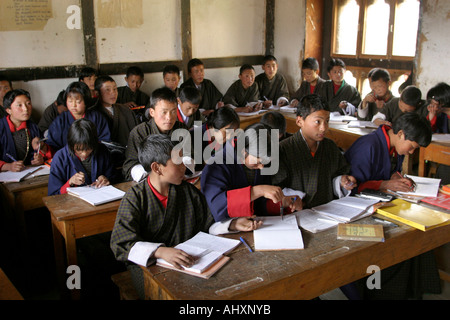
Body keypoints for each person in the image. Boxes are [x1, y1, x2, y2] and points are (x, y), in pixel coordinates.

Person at [110, 134, 261, 299]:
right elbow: (121, 243)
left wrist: (233, 225)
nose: (184, 167)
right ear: (157, 168)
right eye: (178, 162)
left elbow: (207, 222)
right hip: (148, 266)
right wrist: (159, 252)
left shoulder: (187, 191)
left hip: (189, 261)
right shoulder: (135, 198)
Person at [201, 122, 303, 222]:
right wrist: (257, 191)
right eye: (258, 162)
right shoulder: (216, 165)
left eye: (264, 162)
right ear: (243, 152)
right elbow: (217, 207)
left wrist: (282, 202)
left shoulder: (258, 164)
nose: (262, 167)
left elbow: (258, 205)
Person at [272, 94, 357, 208]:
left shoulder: (330, 147)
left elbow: (338, 173)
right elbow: (276, 188)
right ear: (299, 121)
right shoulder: (283, 149)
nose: (324, 127)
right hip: (296, 215)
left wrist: (341, 181)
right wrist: (293, 199)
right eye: (318, 122)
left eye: (327, 121)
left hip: (328, 211)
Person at [345, 112, 432, 193]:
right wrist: (385, 184)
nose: (412, 152)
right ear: (400, 134)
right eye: (412, 147)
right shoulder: (368, 146)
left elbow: (386, 170)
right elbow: (352, 186)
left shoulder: (396, 147)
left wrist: (395, 177)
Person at [122, 87, 189, 182]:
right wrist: (152, 177)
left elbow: (189, 155)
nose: (169, 117)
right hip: (150, 182)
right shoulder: (139, 132)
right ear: (152, 112)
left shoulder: (182, 129)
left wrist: (182, 168)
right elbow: (129, 165)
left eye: (173, 112)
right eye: (164, 112)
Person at [48, 118, 114, 195]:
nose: (84, 154)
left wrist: (106, 179)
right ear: (71, 145)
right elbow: (53, 194)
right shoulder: (60, 158)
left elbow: (113, 177)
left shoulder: (102, 151)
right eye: (79, 150)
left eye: (89, 149)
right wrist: (70, 182)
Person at [46, 81, 111, 151]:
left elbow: (105, 141)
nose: (73, 105)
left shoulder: (97, 118)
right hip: (68, 159)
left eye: (78, 102)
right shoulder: (60, 121)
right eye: (70, 101)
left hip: (93, 157)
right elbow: (52, 146)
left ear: (86, 101)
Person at [0, 89, 51, 172]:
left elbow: (45, 154)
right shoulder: (1, 128)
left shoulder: (33, 127)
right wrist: (8, 166)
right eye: (19, 105)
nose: (26, 109)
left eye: (28, 104)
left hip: (29, 174)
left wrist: (40, 157)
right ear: (8, 110)